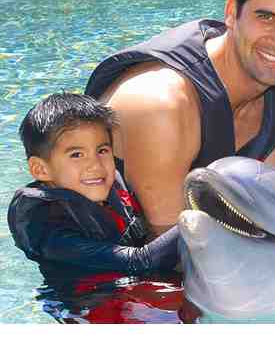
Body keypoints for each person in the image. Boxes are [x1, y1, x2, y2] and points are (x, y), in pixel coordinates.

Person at [85, 0, 275, 236]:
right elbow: (171, 246)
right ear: (232, 11)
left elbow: (263, 222)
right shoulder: (161, 105)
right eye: (266, 17)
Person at [7, 93, 179, 274]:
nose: (96, 165)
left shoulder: (110, 183)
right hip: (94, 290)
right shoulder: (48, 228)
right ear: (41, 169)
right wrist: (194, 221)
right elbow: (139, 263)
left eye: (102, 150)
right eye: (76, 155)